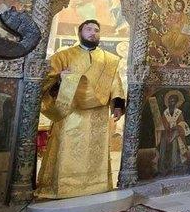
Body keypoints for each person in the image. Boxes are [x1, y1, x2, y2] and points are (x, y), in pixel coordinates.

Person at [36, 19, 125, 199]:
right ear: (80, 32)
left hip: (98, 115)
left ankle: (96, 186)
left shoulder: (108, 59)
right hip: (70, 112)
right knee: (68, 149)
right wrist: (60, 79)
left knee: (95, 151)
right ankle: (64, 188)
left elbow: (115, 83)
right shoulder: (63, 56)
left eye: (96, 30)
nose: (93, 33)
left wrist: (117, 104)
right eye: (89, 29)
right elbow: (44, 81)